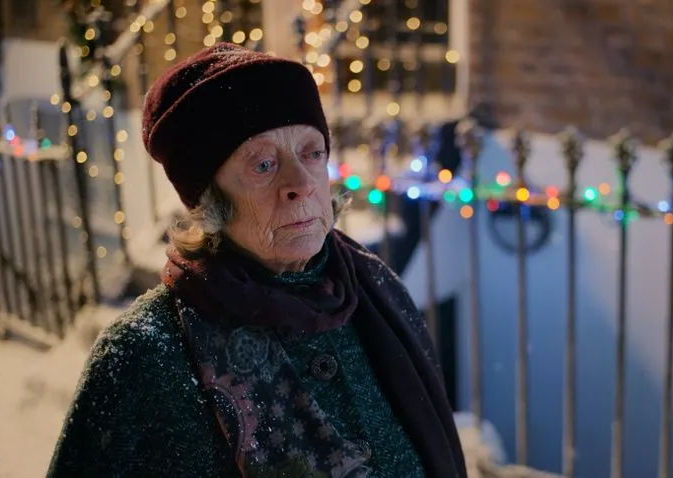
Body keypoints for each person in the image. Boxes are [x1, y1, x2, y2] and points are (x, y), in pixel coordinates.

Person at [47, 42, 466, 477]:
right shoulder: (145, 356)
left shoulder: (377, 290)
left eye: (312, 152)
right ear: (210, 201)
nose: (301, 183)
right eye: (264, 164)